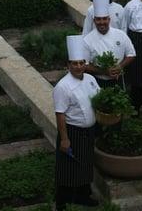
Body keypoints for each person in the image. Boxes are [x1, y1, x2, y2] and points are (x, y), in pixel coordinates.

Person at [53, 35, 100, 210]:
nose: (79, 66)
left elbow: (98, 99)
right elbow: (60, 114)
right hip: (72, 132)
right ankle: (61, 201)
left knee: (86, 165)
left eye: (81, 63)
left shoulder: (90, 80)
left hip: (89, 132)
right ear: (68, 65)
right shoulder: (63, 87)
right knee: (67, 168)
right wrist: (65, 139)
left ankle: (83, 196)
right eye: (75, 63)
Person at [84, 0, 136, 89]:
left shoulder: (121, 35)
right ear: (94, 20)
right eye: (98, 19)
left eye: (104, 19)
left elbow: (131, 54)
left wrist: (119, 66)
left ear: (109, 19)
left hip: (118, 79)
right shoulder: (87, 40)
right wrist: (104, 71)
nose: (102, 22)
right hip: (97, 81)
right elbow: (85, 64)